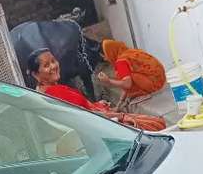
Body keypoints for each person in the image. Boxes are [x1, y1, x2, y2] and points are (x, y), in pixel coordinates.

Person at [26, 49, 166, 131]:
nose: (53, 66)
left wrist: (99, 105)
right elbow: (88, 117)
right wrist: (121, 116)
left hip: (101, 119)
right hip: (103, 125)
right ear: (35, 74)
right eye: (46, 65)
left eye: (53, 61)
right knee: (158, 124)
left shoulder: (46, 90)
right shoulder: (54, 93)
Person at [96, 39, 167, 103]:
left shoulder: (121, 62)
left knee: (127, 78)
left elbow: (127, 84)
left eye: (105, 56)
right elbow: (125, 85)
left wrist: (108, 81)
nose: (105, 59)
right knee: (127, 76)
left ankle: (143, 93)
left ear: (110, 52)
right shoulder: (130, 52)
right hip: (161, 79)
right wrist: (120, 104)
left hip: (155, 84)